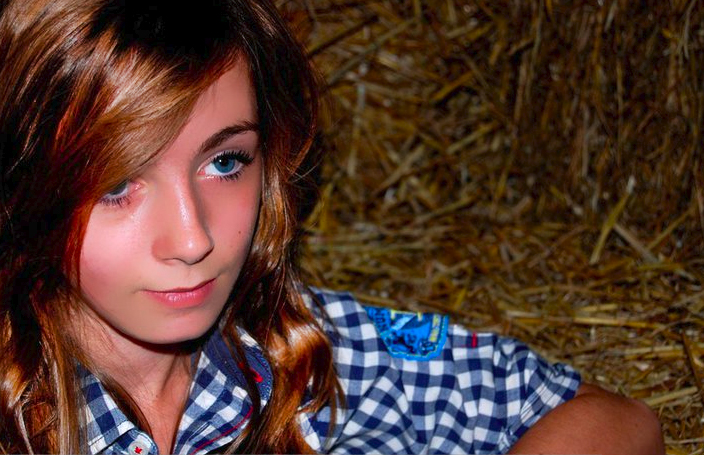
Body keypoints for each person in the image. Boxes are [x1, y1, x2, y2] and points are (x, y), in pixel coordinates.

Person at [0, 0, 664, 454]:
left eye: (225, 161)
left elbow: (622, 422)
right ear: (25, 187)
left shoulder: (315, 357)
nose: (193, 237)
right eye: (118, 184)